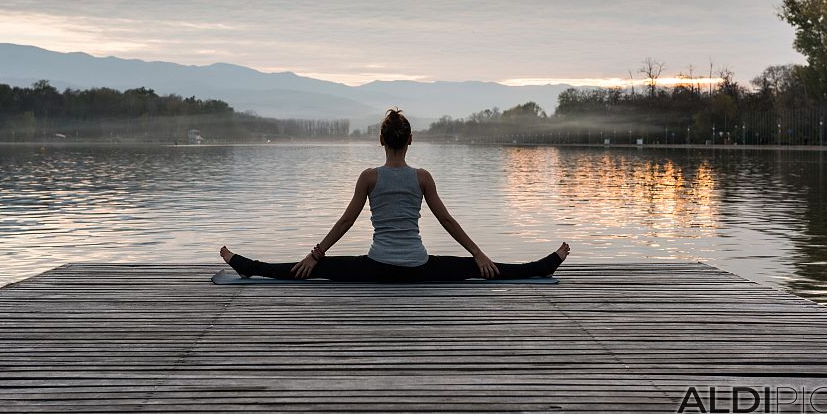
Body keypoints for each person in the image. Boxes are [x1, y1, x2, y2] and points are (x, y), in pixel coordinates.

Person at [220, 108, 570, 282]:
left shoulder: (369, 177)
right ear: (410, 140)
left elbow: (346, 220)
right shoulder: (422, 178)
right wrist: (478, 253)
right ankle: (540, 267)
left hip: (377, 268)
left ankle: (250, 267)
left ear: (382, 140)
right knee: (479, 269)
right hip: (418, 268)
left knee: (313, 269)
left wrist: (316, 254)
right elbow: (446, 220)